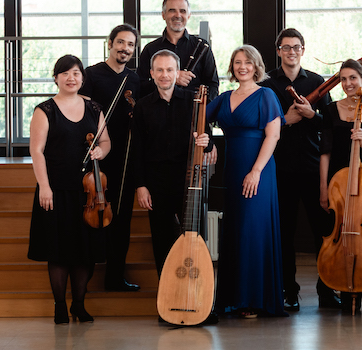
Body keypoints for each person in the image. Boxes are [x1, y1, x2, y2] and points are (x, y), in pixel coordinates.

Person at [28, 55, 111, 324]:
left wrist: (101, 150)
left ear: (82, 78)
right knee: (59, 250)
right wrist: (44, 186)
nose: (71, 78)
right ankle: (59, 306)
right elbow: (37, 151)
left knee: (84, 251)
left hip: (87, 191)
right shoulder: (45, 110)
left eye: (76, 73)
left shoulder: (94, 109)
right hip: (56, 189)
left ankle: (79, 304)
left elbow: (106, 141)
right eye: (65, 73)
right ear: (56, 78)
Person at [260, 28, 339, 311]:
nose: (291, 52)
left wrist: (312, 115)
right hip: (278, 169)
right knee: (284, 234)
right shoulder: (266, 83)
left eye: (296, 47)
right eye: (286, 47)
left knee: (323, 231)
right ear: (278, 50)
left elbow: (330, 129)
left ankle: (327, 290)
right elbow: (260, 126)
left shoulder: (318, 82)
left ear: (303, 50)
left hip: (313, 168)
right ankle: (288, 291)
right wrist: (286, 119)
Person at [207, 45, 286, 318]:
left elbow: (273, 136)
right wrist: (208, 146)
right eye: (237, 62)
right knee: (237, 229)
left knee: (254, 230)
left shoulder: (266, 95)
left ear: (256, 66)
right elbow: (195, 120)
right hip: (233, 170)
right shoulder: (224, 97)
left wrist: (255, 171)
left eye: (248, 62)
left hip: (258, 171)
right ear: (232, 66)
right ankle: (235, 298)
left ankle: (255, 299)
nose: (242, 67)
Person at [131, 49, 211, 279]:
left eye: (169, 70)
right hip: (156, 182)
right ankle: (167, 298)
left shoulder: (194, 101)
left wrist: (207, 141)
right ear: (151, 73)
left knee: (196, 238)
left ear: (177, 73)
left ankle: (199, 301)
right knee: (162, 240)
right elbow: (137, 149)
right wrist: (141, 185)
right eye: (160, 70)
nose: (164, 74)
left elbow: (206, 136)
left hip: (188, 179)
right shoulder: (142, 106)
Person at [318, 59, 362, 314]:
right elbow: (324, 152)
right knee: (334, 234)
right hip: (338, 184)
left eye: (353, 78)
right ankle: (328, 290)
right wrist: (324, 188)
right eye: (343, 79)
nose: (348, 84)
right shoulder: (329, 110)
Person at [79, 24, 141, 292]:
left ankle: (115, 276)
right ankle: (84, 277)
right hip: (96, 155)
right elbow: (81, 113)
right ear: (110, 43)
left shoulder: (136, 79)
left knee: (122, 218)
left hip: (124, 157)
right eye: (121, 42)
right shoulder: (91, 75)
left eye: (130, 45)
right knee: (92, 218)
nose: (125, 48)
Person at [136, 0, 220, 100]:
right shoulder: (150, 49)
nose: (178, 15)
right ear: (163, 15)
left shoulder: (202, 46)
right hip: (159, 113)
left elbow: (213, 85)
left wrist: (202, 111)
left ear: (188, 15)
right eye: (172, 10)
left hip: (192, 113)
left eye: (183, 11)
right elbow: (140, 86)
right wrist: (172, 78)